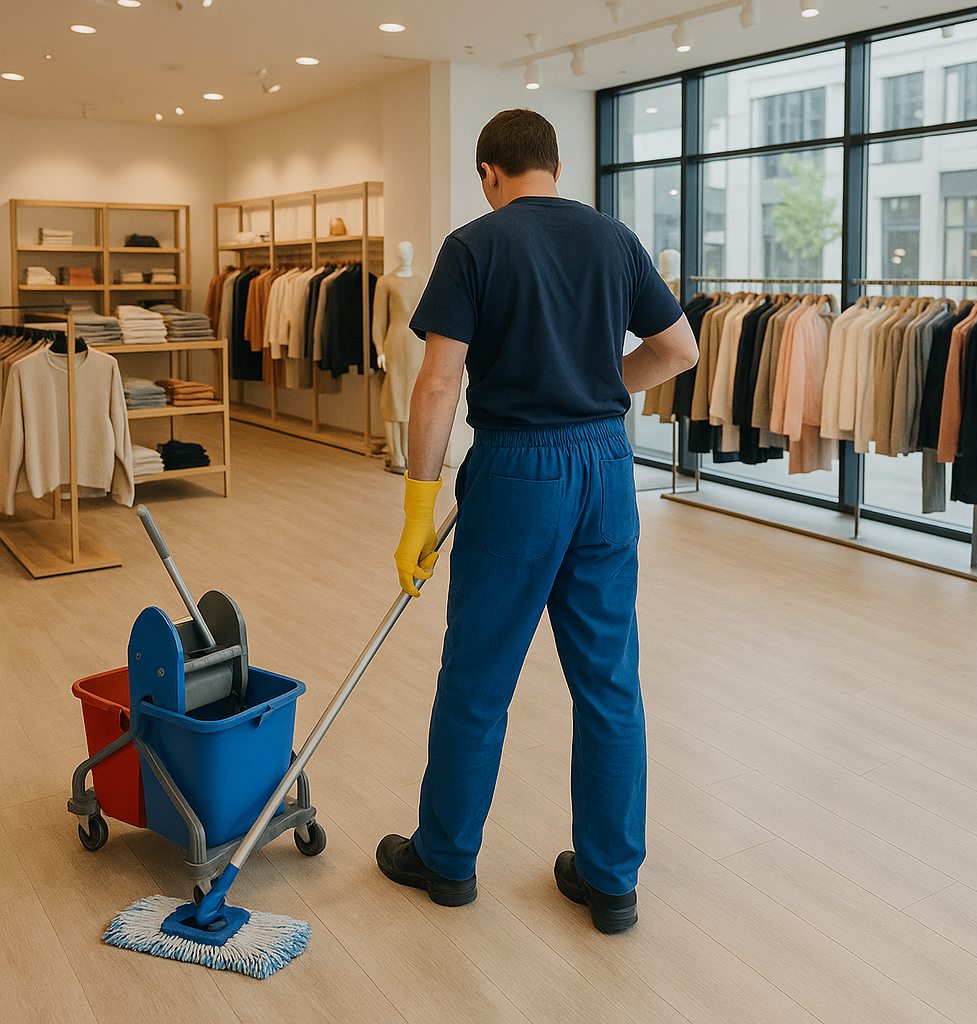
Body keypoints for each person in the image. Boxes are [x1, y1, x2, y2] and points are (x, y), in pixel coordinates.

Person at [376, 108, 698, 934]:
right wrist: (601, 388)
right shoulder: (615, 240)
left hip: (518, 469)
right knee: (609, 680)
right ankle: (610, 881)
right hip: (605, 467)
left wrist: (418, 506)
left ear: (489, 174)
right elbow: (678, 351)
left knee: (478, 676)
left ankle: (446, 860)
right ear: (554, 166)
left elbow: (438, 384)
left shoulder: (475, 245)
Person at [372, 240, 427, 474]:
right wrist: (380, 350)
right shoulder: (385, 281)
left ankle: (408, 455)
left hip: (416, 344)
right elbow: (378, 320)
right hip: (394, 342)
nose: (405, 255)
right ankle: (396, 456)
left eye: (409, 251)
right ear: (397, 254)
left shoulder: (422, 279)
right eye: (402, 252)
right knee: (393, 395)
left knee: (411, 398)